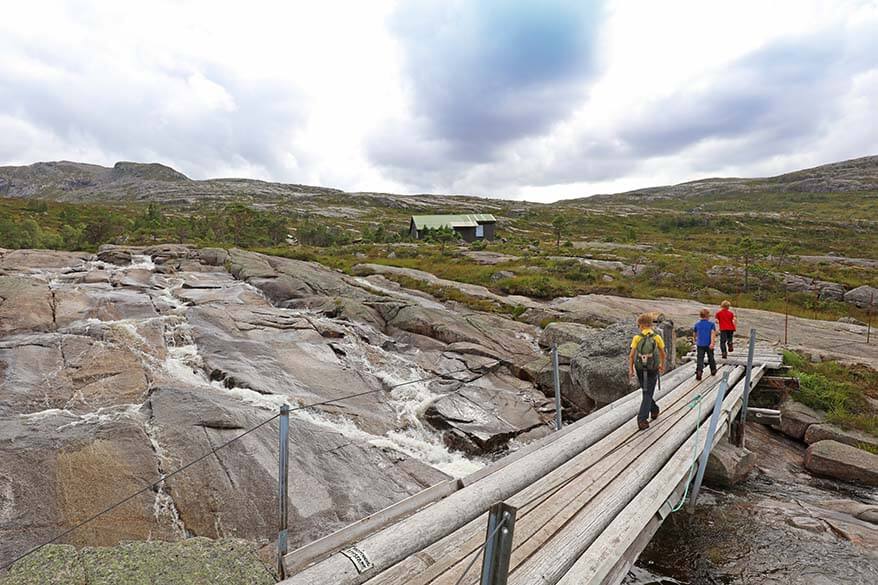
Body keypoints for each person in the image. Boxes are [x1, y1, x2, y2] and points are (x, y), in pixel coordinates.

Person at [628, 313, 667, 430]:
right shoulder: (657, 337)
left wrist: (631, 369)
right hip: (652, 368)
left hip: (640, 368)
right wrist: (661, 364)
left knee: (646, 391)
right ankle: (643, 418)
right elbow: (663, 353)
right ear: (651, 324)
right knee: (648, 392)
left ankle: (652, 411)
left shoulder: (637, 338)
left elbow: (631, 356)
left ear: (641, 325)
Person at [693, 308, 717, 381]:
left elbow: (695, 334)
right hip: (708, 344)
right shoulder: (711, 324)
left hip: (700, 344)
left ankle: (699, 371)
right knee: (711, 357)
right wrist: (712, 343)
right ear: (708, 316)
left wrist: (695, 340)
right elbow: (713, 334)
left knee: (700, 358)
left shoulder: (697, 324)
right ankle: (713, 370)